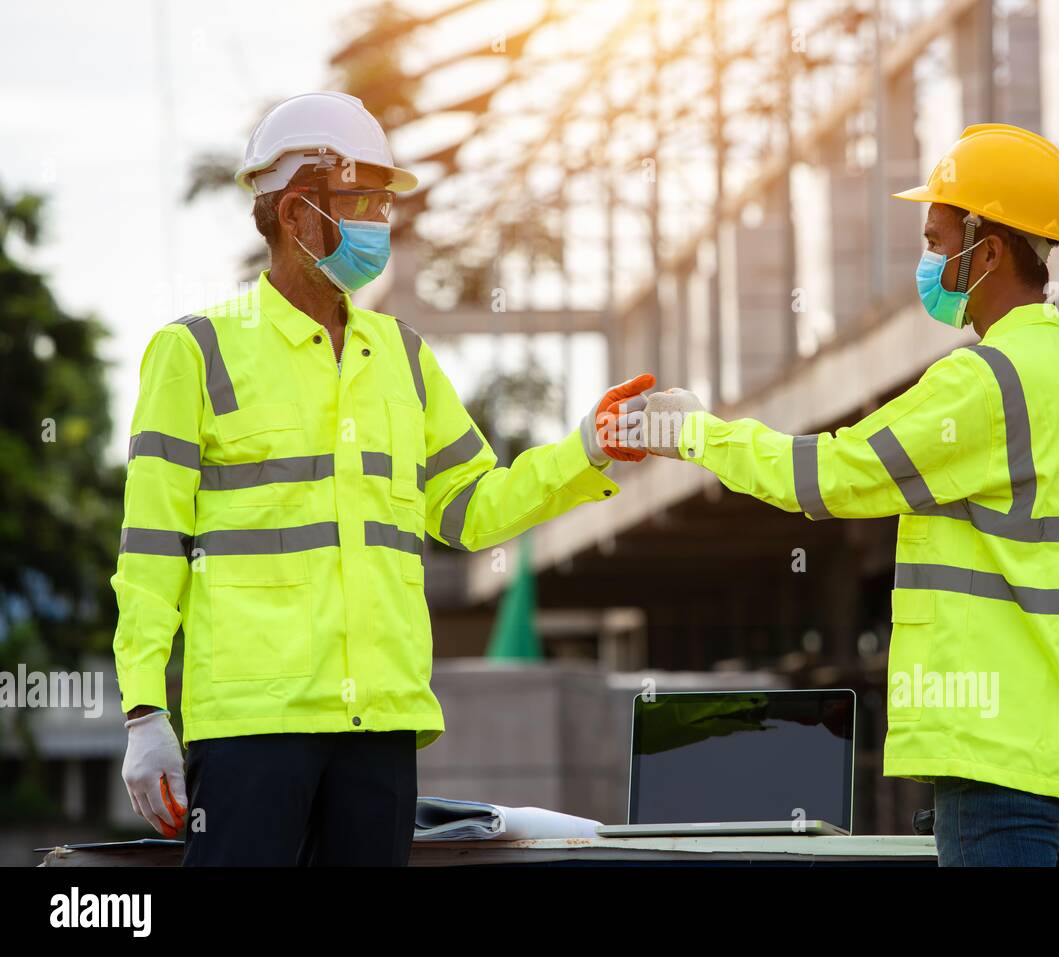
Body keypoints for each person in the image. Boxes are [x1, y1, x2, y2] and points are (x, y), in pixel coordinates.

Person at [112, 91, 654, 866]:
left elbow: (471, 509)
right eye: (360, 199)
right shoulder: (195, 353)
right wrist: (142, 711)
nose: (378, 221)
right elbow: (151, 546)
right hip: (251, 729)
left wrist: (586, 451)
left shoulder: (401, 355)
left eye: (380, 203)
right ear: (297, 213)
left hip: (379, 727)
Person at [631, 124, 1059, 866]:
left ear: (989, 250)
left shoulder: (985, 381)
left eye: (937, 237)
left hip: (998, 761)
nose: (928, 259)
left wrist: (697, 434)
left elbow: (825, 475)